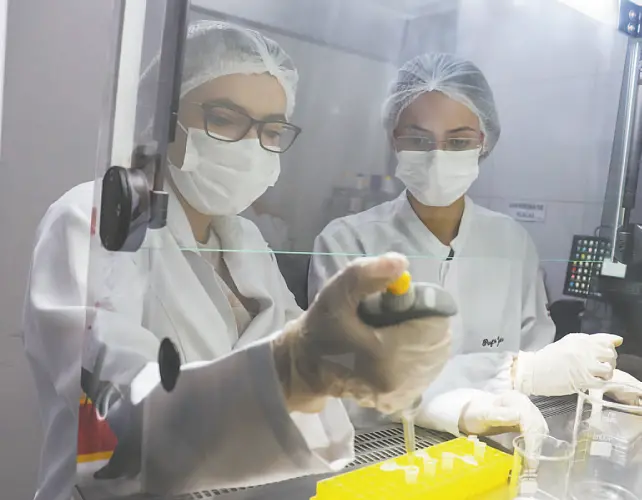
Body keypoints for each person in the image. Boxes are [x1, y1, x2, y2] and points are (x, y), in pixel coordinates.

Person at [21, 22, 454, 500]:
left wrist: (369, 363)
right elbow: (119, 423)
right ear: (159, 119)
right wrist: (295, 369)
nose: (252, 145)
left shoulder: (245, 237)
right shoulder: (95, 219)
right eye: (225, 118)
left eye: (272, 130)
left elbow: (319, 399)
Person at [308, 53, 640, 437]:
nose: (437, 155)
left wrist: (588, 381)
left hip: (497, 447)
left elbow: (539, 361)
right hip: (386, 452)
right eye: (418, 139)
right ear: (393, 139)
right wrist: (511, 374)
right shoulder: (348, 242)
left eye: (458, 140)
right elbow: (347, 381)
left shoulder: (511, 243)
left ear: (484, 142)